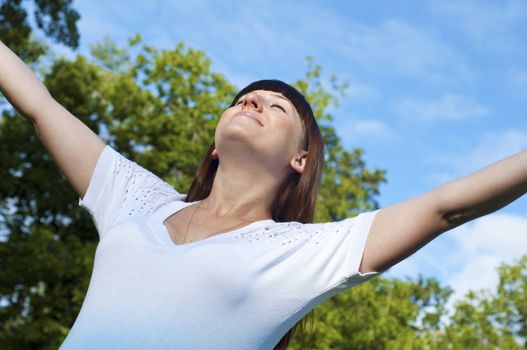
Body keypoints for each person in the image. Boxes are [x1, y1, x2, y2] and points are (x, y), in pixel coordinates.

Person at [1, 38, 526, 350]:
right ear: (213, 145)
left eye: (276, 108)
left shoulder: (299, 252)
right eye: (245, 99)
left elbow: (446, 206)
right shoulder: (136, 198)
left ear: (300, 160)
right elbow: (40, 106)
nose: (253, 100)